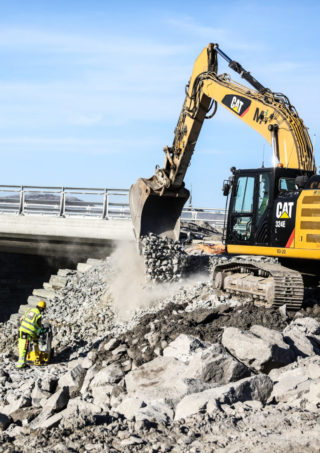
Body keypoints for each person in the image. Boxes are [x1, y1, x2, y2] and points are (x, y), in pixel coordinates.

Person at [16, 300, 46, 369]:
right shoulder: (38, 314)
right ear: (42, 308)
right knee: (24, 348)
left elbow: (21, 319)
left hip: (21, 331)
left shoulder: (30, 310)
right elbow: (39, 324)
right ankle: (21, 365)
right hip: (27, 333)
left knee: (21, 347)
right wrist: (42, 328)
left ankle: (20, 363)